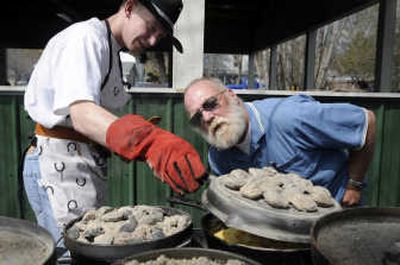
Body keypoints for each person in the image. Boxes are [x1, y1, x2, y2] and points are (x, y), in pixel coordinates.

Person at [23, 0, 206, 250]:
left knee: (91, 245)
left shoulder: (111, 49)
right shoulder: (86, 38)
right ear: (129, 8)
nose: (153, 41)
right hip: (57, 162)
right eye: (151, 27)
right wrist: (148, 142)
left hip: (79, 163)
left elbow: (96, 122)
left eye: (160, 36)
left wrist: (143, 150)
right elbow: (82, 114)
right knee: (72, 252)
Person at [183, 77, 376, 207]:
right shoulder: (219, 157)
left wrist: (354, 185)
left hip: (334, 216)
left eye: (210, 104)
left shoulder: (291, 118)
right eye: (196, 118)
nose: (206, 118)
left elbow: (366, 122)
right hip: (281, 233)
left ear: (232, 96)